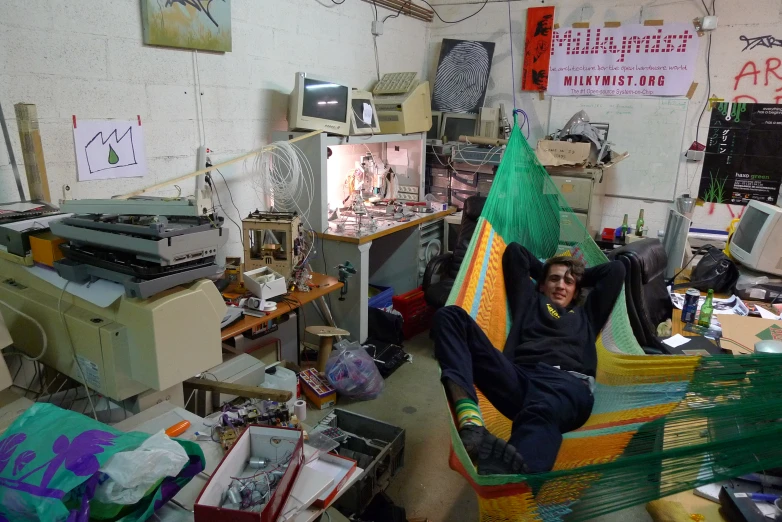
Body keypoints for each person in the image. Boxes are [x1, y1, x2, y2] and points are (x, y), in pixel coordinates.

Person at [432, 242, 625, 475]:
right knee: (450, 316)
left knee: (541, 411)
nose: (561, 285)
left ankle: (514, 482)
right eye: (554, 279)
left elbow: (616, 270)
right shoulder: (529, 301)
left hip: (565, 384)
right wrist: (547, 270)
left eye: (569, 281)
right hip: (518, 377)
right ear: (541, 285)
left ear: (578, 289)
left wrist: (575, 273)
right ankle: (471, 424)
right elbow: (516, 252)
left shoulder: (588, 315)